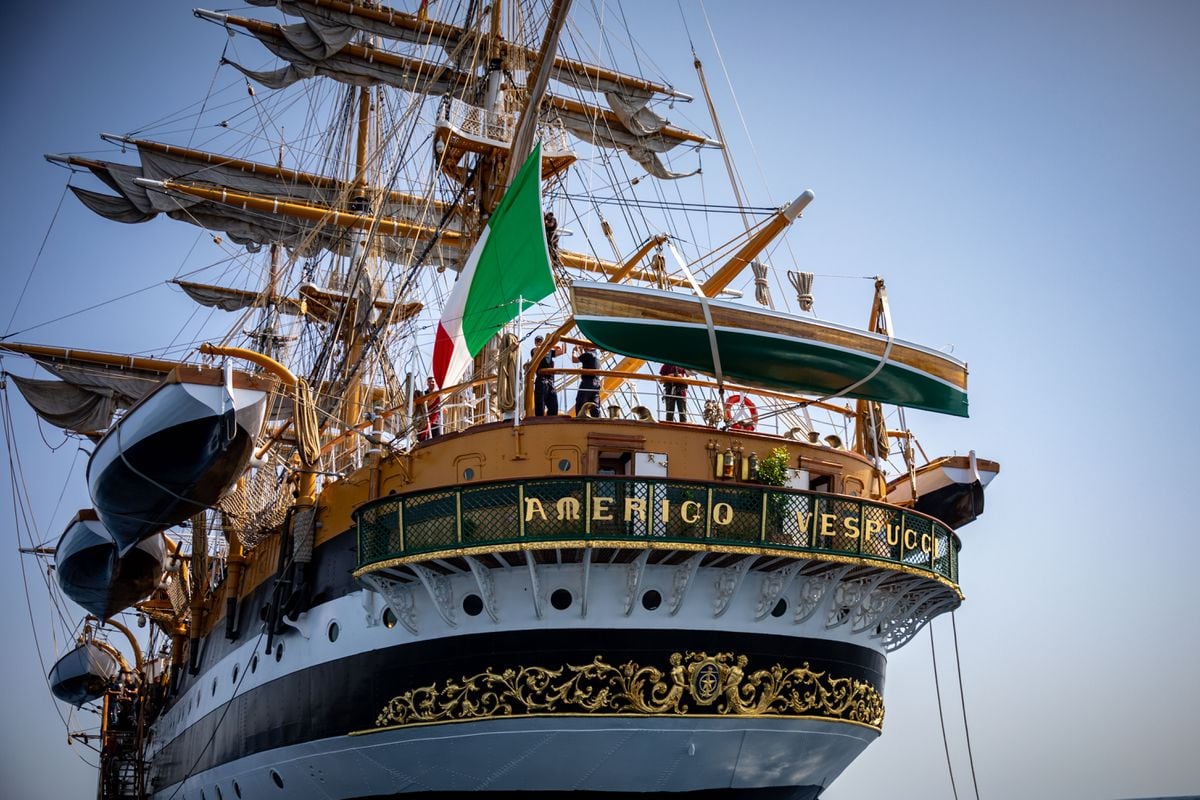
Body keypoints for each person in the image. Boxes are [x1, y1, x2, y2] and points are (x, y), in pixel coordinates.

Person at [532, 335, 560, 416]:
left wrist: (553, 346)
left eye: (540, 341)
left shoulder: (550, 351)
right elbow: (537, 350)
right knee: (540, 403)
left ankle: (552, 418)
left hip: (550, 380)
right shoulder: (534, 350)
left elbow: (562, 351)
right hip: (541, 379)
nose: (539, 343)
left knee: (553, 403)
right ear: (535, 343)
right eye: (537, 341)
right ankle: (539, 419)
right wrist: (547, 345)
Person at [572, 343, 600, 416]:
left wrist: (574, 351)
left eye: (586, 345)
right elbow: (584, 359)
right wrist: (582, 350)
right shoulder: (596, 356)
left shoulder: (588, 354)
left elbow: (574, 360)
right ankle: (597, 419)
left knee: (581, 402)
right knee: (594, 404)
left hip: (588, 382)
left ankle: (579, 420)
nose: (584, 346)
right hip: (596, 383)